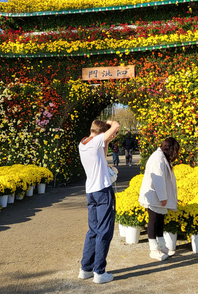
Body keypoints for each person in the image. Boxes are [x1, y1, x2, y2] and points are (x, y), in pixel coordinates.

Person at [78, 119, 120, 284]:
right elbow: (116, 125)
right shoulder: (97, 142)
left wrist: (107, 140)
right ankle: (99, 272)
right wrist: (110, 123)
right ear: (102, 133)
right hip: (103, 191)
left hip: (91, 192)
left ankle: (86, 269)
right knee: (104, 231)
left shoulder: (84, 143)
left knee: (93, 231)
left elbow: (101, 153)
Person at [138, 137, 180, 261]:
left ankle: (161, 246)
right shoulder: (157, 158)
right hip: (154, 196)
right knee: (153, 221)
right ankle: (154, 249)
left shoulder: (162, 157)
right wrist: (163, 197)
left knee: (160, 221)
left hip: (158, 196)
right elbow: (158, 180)